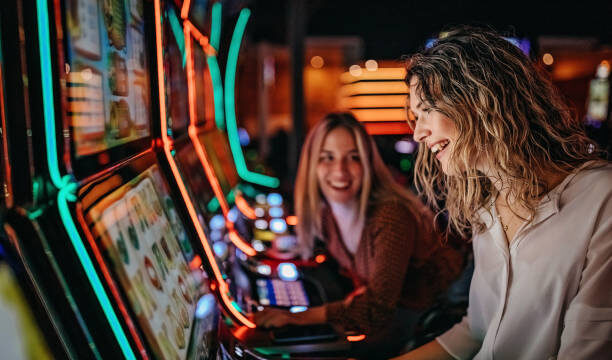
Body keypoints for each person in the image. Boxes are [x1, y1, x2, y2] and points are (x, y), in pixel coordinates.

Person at [396, 27, 612, 360]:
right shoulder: (486, 208)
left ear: (481, 99)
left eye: (427, 110)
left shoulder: (601, 198)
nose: (420, 133)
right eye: (416, 116)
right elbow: (477, 332)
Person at [254, 112, 463, 357]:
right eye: (327, 158)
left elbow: (377, 308)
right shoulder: (326, 218)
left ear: (367, 164)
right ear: (313, 165)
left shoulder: (390, 216)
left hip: (436, 321)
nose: (340, 170)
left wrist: (296, 317)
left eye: (353, 157)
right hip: (400, 315)